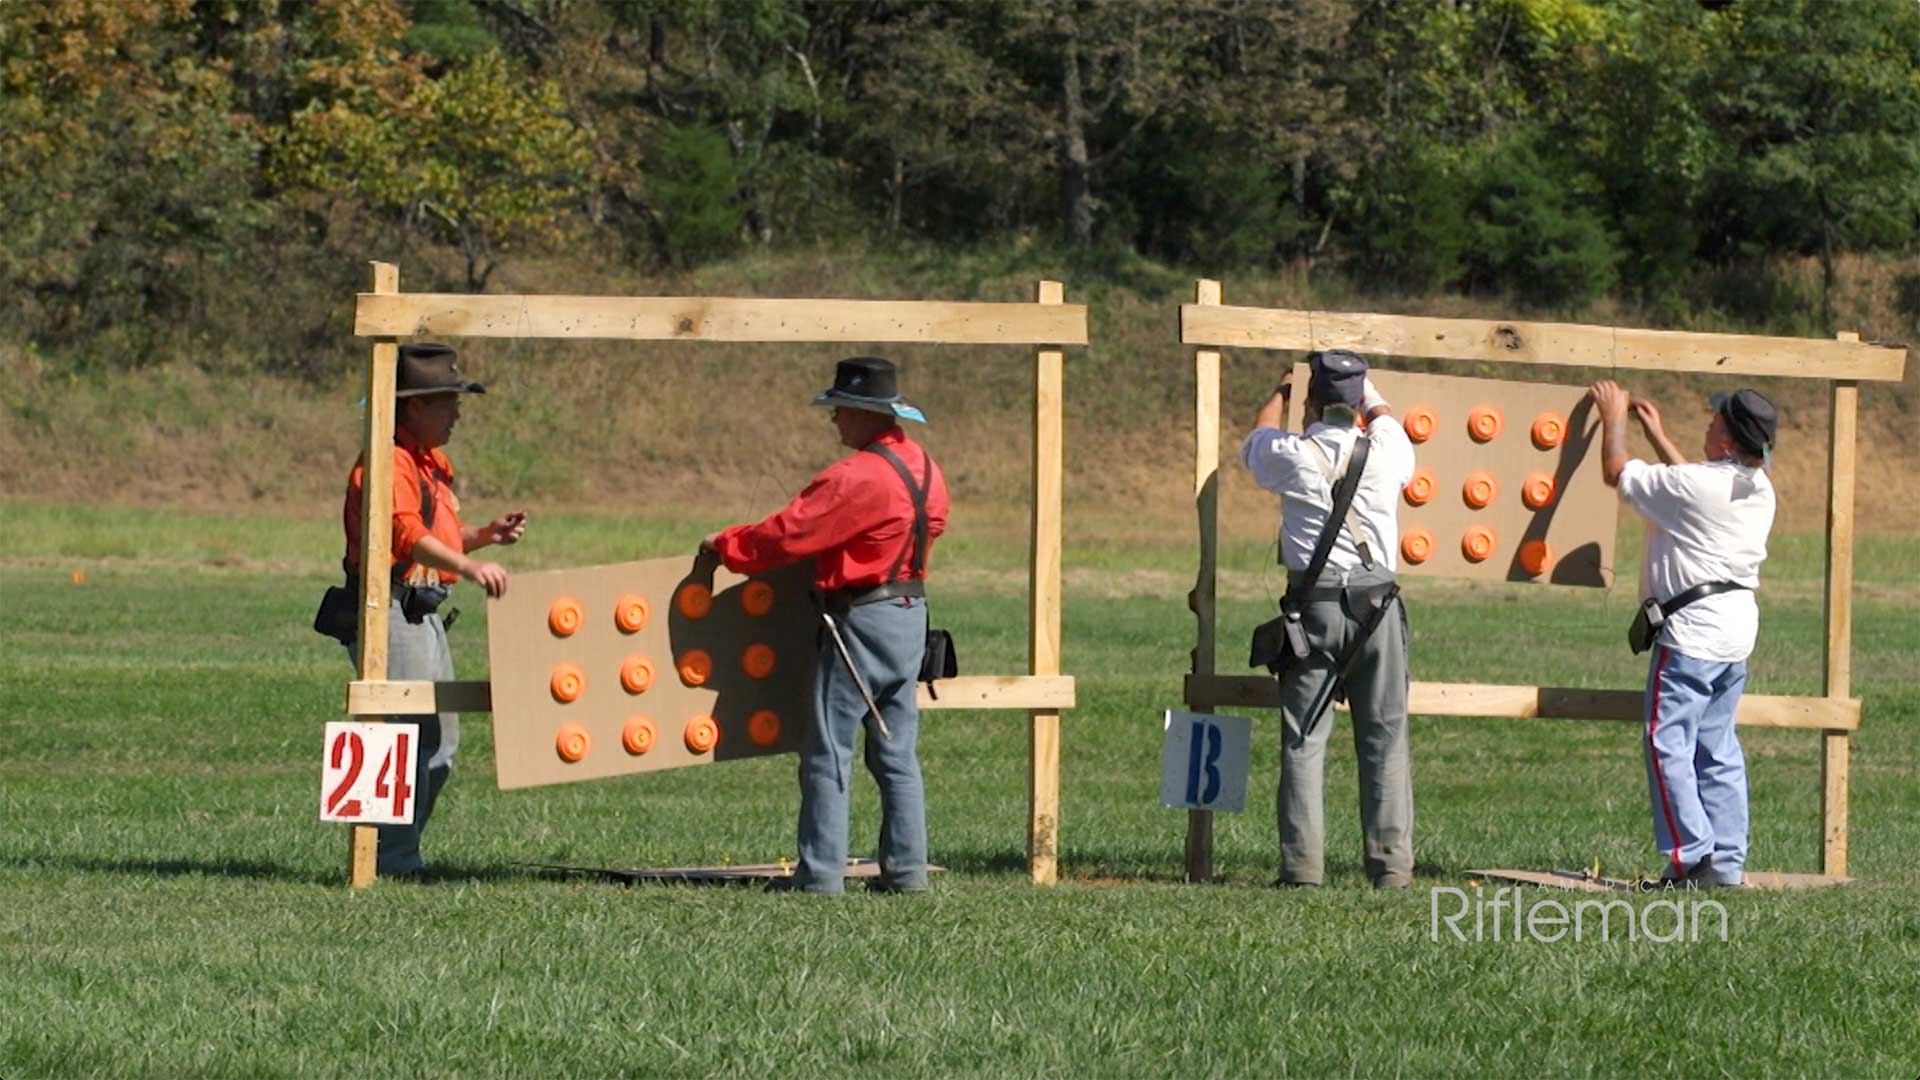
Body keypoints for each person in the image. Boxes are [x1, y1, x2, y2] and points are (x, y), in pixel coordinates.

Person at [702, 356, 949, 895]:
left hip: (859, 619)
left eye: (839, 411)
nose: (834, 422)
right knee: (897, 753)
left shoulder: (855, 476)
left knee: (828, 750)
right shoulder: (926, 470)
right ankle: (907, 873)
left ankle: (819, 877)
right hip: (911, 616)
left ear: (864, 414)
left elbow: (788, 536)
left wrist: (726, 546)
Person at [341, 342, 528, 880]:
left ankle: (395, 855)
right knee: (401, 737)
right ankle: (392, 860)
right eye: (447, 400)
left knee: (440, 742)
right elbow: (407, 536)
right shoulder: (389, 465)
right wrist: (470, 570)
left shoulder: (426, 464)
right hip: (390, 609)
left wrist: (484, 538)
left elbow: (438, 538)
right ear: (414, 407)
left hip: (421, 608)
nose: (457, 412)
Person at [1590, 379, 1777, 888]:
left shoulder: (1695, 487)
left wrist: (1615, 418)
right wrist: (1658, 436)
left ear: (1725, 441)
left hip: (1692, 635)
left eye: (1716, 419)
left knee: (1665, 740)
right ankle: (1726, 864)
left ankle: (1689, 856)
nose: (1709, 421)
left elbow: (1617, 473)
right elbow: (1693, 484)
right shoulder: (1758, 487)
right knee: (1717, 748)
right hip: (1734, 632)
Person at [1242, 350, 1417, 888]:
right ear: (1358, 406)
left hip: (1312, 606)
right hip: (1376, 606)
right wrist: (1366, 388)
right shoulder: (1388, 449)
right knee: (1384, 740)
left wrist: (1282, 388)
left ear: (1311, 402)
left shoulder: (1291, 453)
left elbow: (1257, 436)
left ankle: (1301, 870)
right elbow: (1385, 417)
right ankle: (1390, 869)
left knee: (1303, 741)